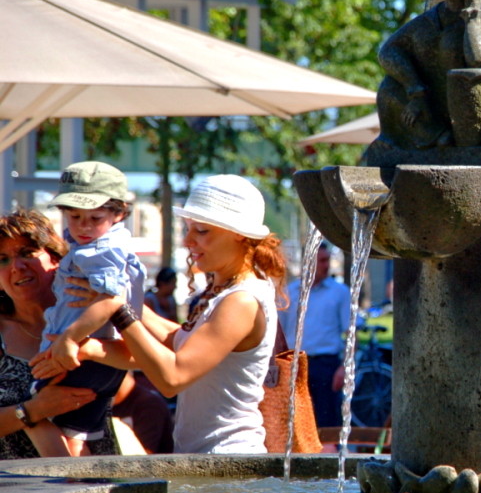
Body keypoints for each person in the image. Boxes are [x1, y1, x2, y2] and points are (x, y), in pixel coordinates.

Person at [36, 175, 287, 454]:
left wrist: (117, 310)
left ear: (240, 234)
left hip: (227, 459)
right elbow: (177, 342)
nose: (187, 240)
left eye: (201, 230)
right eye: (188, 228)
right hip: (214, 459)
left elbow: (173, 377)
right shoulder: (227, 287)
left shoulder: (240, 300)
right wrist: (97, 339)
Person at [30, 162, 146, 457]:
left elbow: (110, 299)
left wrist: (69, 338)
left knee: (37, 411)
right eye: (74, 216)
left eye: (96, 217)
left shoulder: (101, 250)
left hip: (80, 355)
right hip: (104, 359)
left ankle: (62, 484)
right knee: (77, 431)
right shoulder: (103, 244)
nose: (84, 225)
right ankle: (74, 480)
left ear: (119, 214)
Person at [0, 209, 116, 459]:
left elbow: (146, 361)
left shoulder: (93, 313)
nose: (17, 267)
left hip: (98, 478)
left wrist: (95, 345)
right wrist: (31, 411)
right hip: (15, 489)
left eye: (26, 253)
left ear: (55, 258)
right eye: (3, 260)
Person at [372, 0, 481, 150]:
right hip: (430, 97)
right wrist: (416, 90)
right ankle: (430, 134)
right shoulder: (426, 22)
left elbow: (477, 58)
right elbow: (387, 52)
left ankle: (440, 135)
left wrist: (473, 11)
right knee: (389, 86)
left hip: (467, 99)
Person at [278, 242, 351, 428]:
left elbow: (351, 333)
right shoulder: (289, 293)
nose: (326, 265)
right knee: (295, 424)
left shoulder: (340, 292)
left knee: (327, 423)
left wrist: (344, 368)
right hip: (295, 365)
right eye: (322, 261)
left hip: (326, 365)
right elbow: (279, 334)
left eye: (327, 260)